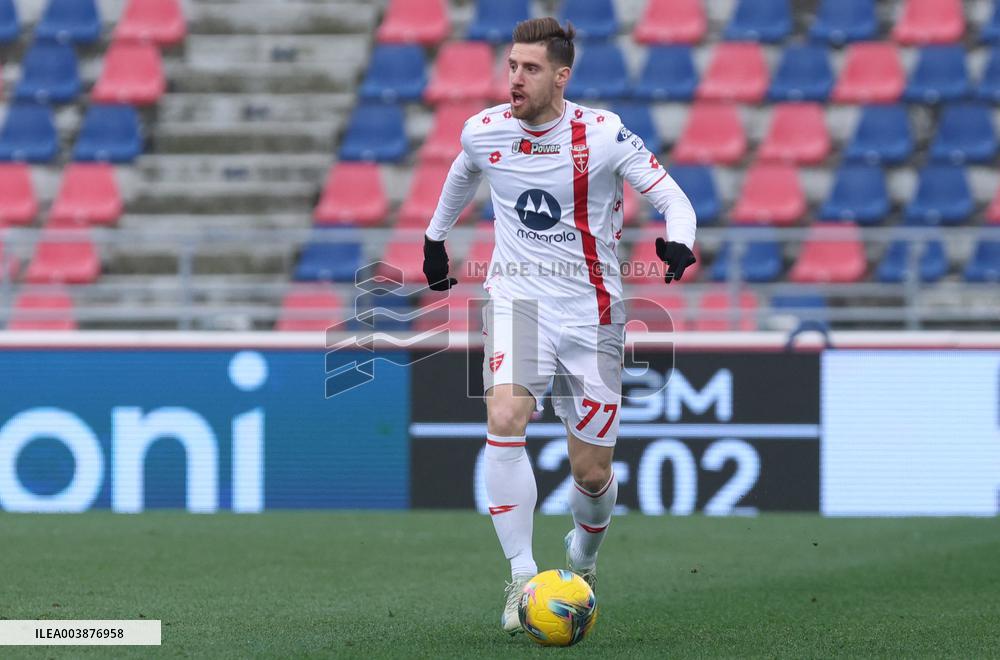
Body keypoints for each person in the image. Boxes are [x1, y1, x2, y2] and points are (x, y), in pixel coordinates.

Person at [422, 17, 697, 634]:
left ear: (561, 76)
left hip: (592, 315)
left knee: (591, 472)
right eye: (512, 66)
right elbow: (465, 167)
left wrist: (680, 241)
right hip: (517, 302)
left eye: (530, 68)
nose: (515, 79)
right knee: (503, 418)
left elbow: (674, 199)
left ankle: (583, 559)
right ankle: (522, 579)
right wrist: (435, 236)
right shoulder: (484, 130)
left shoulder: (602, 135)